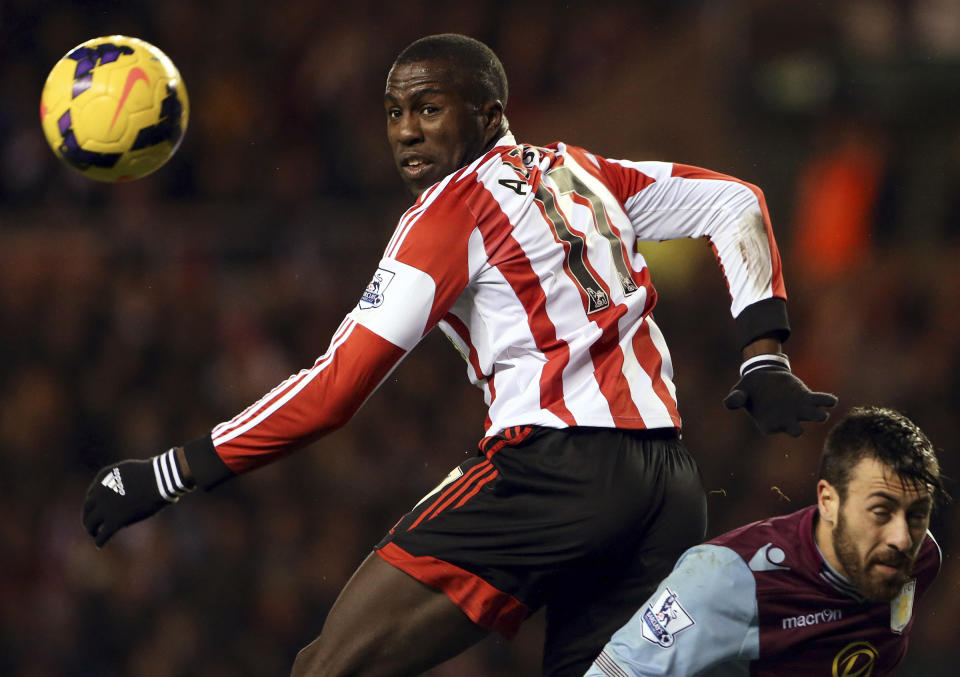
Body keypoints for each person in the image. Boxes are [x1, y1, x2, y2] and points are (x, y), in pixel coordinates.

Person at [81, 34, 837, 676]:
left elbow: (337, 386)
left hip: (550, 471)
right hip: (667, 487)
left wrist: (172, 471)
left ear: (490, 114)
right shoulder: (584, 172)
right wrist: (762, 353)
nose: (406, 130)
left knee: (328, 665)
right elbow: (736, 201)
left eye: (428, 108)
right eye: (394, 112)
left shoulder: (449, 212)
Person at [587, 406, 947, 677]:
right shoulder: (728, 579)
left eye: (917, 514)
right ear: (828, 501)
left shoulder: (919, 558)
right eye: (880, 512)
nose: (902, 538)